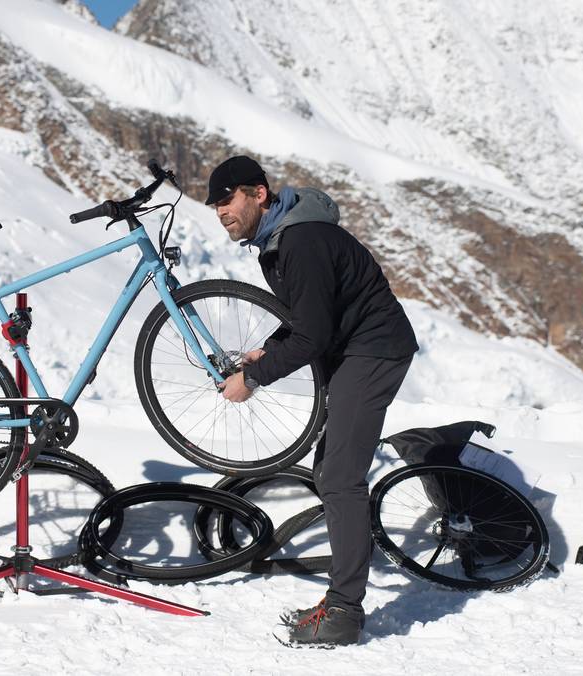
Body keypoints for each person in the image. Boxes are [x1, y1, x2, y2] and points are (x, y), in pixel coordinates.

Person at [208, 155, 419, 647]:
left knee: (341, 478)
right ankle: (340, 599)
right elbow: (311, 313)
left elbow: (314, 337)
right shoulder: (284, 240)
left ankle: (344, 612)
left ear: (259, 194)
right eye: (215, 204)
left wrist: (254, 377)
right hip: (353, 348)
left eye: (228, 199)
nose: (220, 211)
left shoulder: (299, 241)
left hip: (372, 351)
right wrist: (273, 344)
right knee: (331, 474)